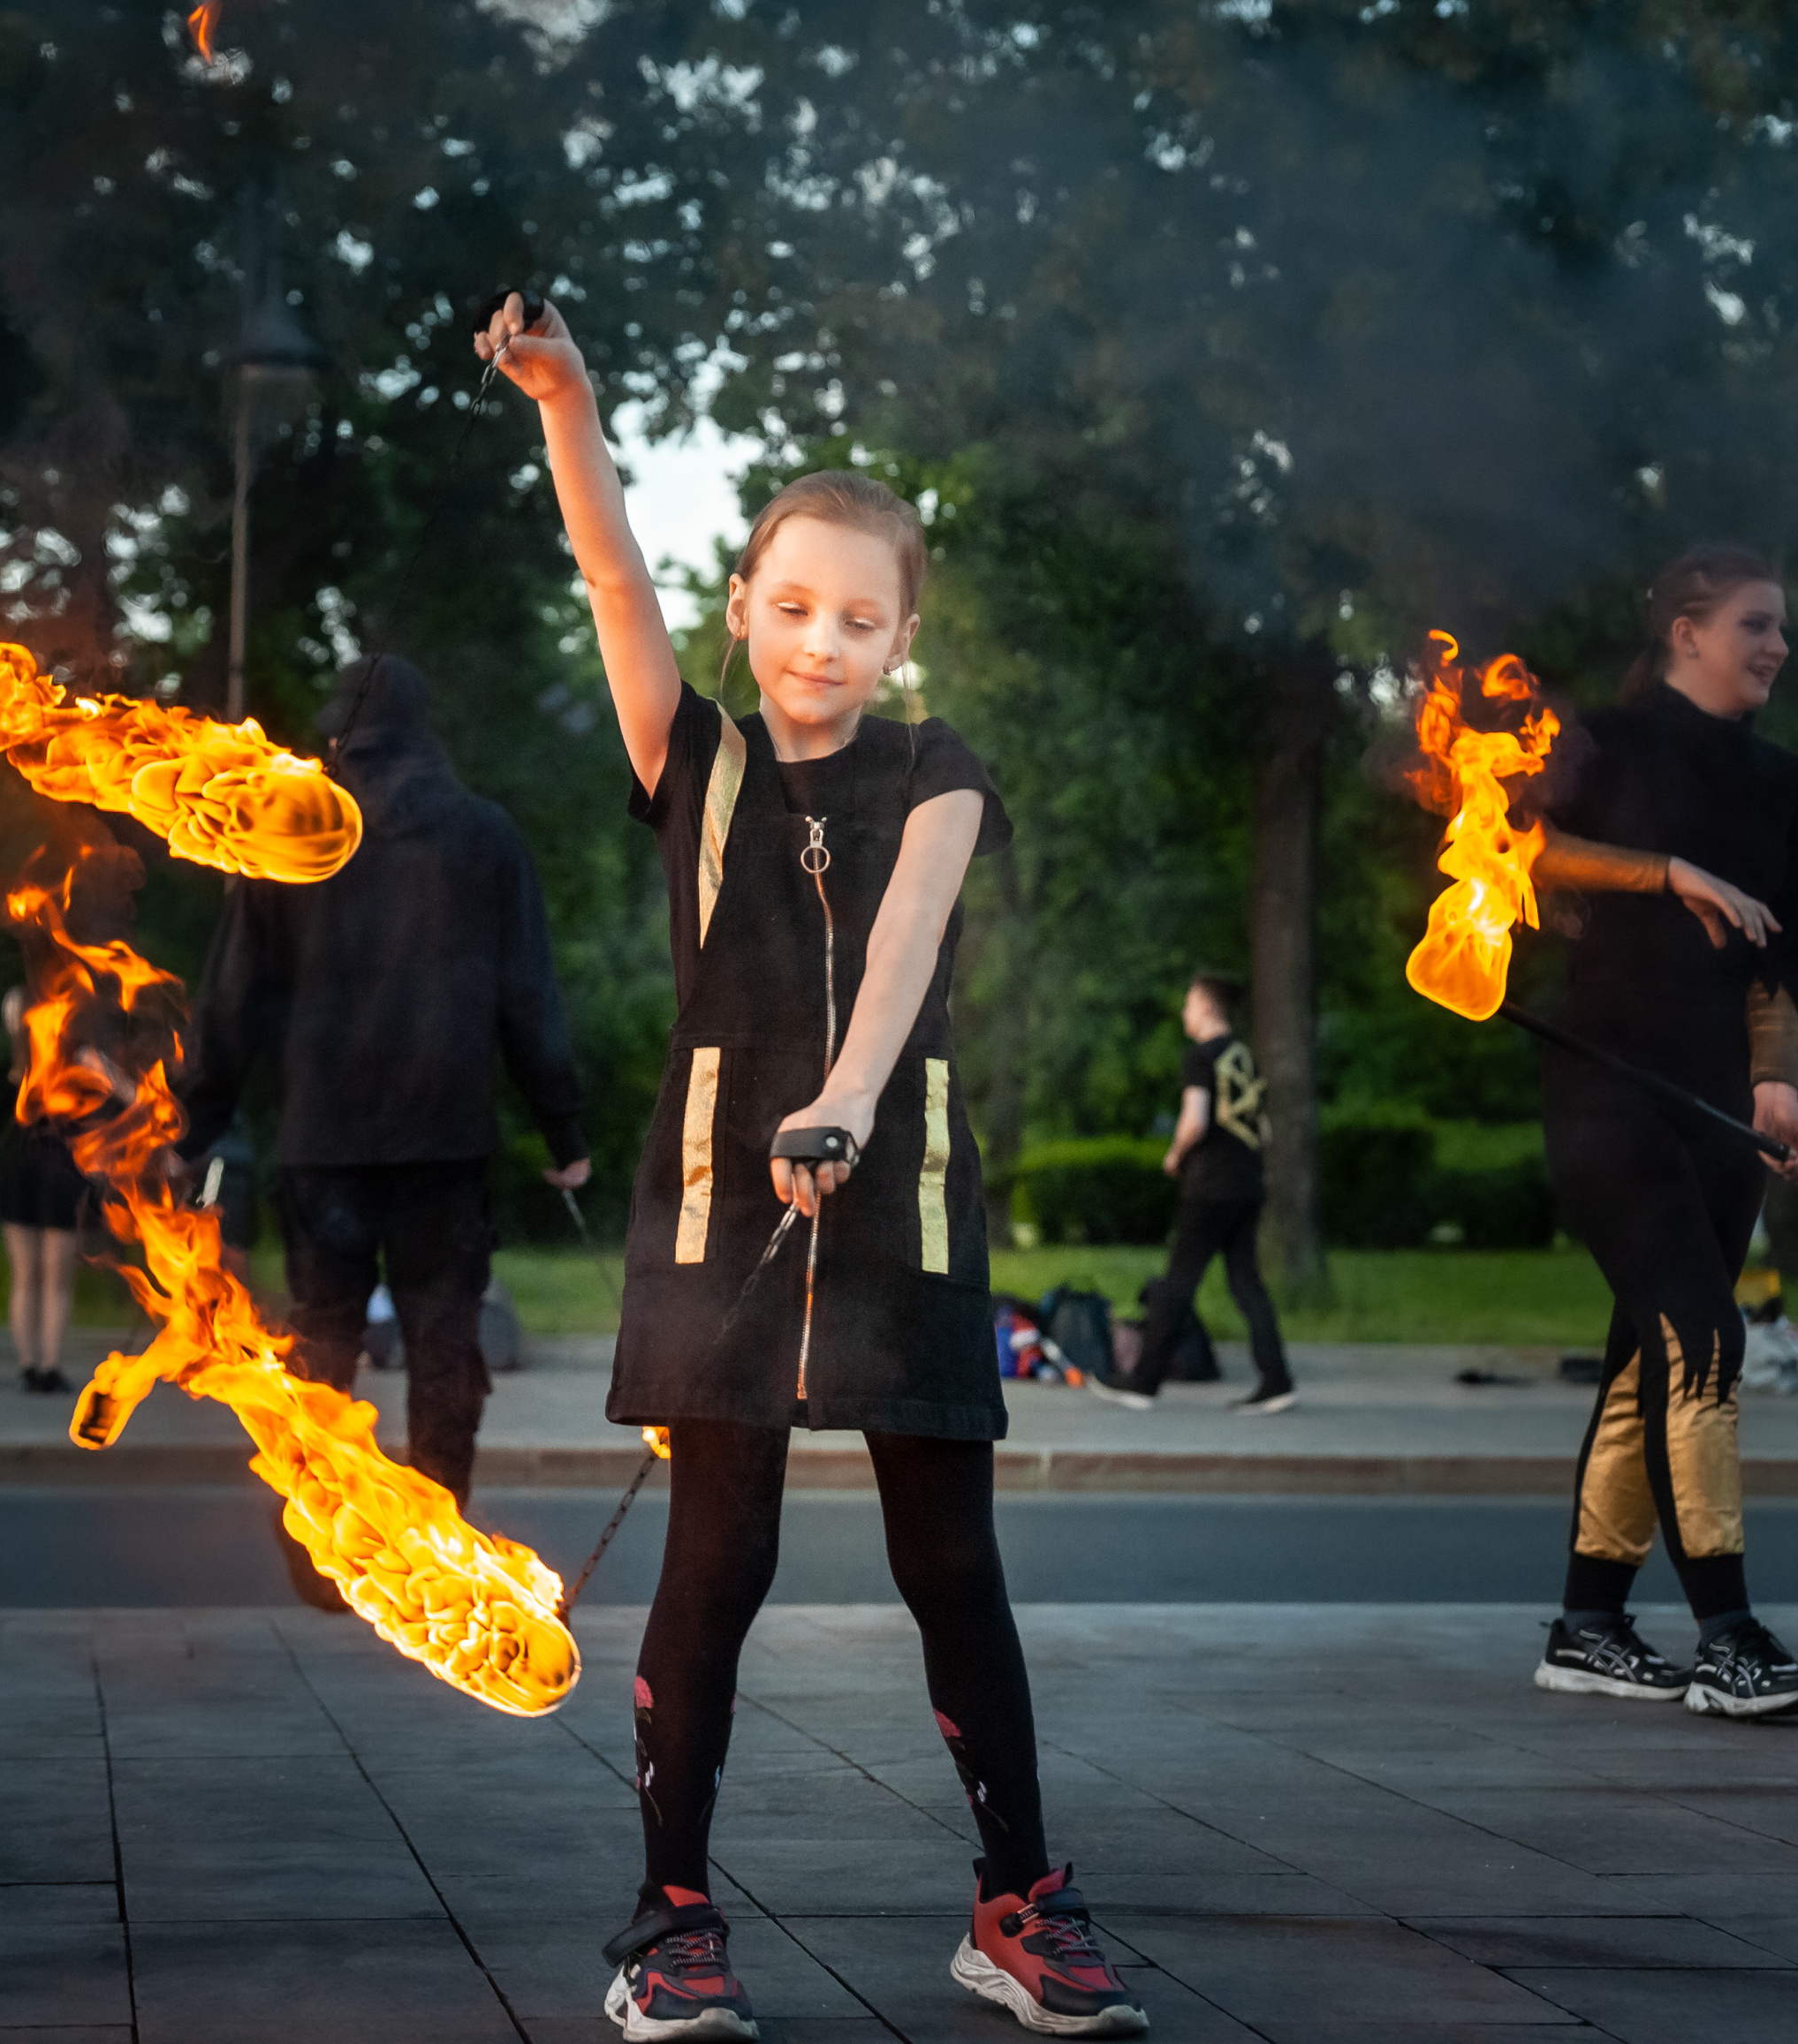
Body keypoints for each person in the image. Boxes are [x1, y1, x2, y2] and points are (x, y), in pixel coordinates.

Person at [479, 292, 1146, 2041]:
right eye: (789, 607)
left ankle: (1014, 1900)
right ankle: (669, 1920)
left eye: (858, 616)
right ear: (745, 611)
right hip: (717, 1195)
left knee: (952, 1566)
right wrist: (572, 402)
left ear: (902, 632)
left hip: (898, 1181)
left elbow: (911, 938)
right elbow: (614, 578)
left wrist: (844, 1097)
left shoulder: (937, 771)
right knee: (720, 1558)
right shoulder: (687, 758)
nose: (819, 642)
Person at [1526, 544, 1798, 1721]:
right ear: (1686, 632)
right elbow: (1513, 855)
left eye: (1783, 628)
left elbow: (1786, 959)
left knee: (1644, 1356)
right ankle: (1728, 1634)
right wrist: (1667, 872)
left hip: (1721, 1107)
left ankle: (1588, 1623)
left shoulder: (1794, 786)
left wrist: (1778, 1086)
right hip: (1606, 1089)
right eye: (1756, 624)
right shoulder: (1596, 743)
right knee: (1703, 1336)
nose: (1778, 647)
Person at [177, 651, 591, 1519]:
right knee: (443, 1340)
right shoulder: (483, 834)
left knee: (321, 1338)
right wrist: (565, 1132)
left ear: (339, 733)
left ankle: (322, 1538)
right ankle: (440, 1542)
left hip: (323, 1139)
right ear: (425, 730)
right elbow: (528, 994)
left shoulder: (290, 835)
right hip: (443, 1137)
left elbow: (232, 994)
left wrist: (194, 1124)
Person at [1089, 974, 1293, 1414]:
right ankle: (1276, 1380)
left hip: (1210, 1185)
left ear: (1204, 1004)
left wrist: (1176, 1156)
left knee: (1177, 1283)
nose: (1185, 1011)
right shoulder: (1244, 1057)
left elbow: (1195, 1120)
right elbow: (1265, 1128)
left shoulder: (1200, 1058)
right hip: (1247, 1183)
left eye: (1188, 1003)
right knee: (1246, 1283)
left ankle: (1142, 1383)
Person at [0, 986, 113, 1396]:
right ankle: (45, 1365)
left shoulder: (25, 1068)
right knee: (51, 1277)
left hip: (34, 1170)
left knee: (31, 1276)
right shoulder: (65, 1060)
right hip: (56, 1169)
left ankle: (33, 1364)